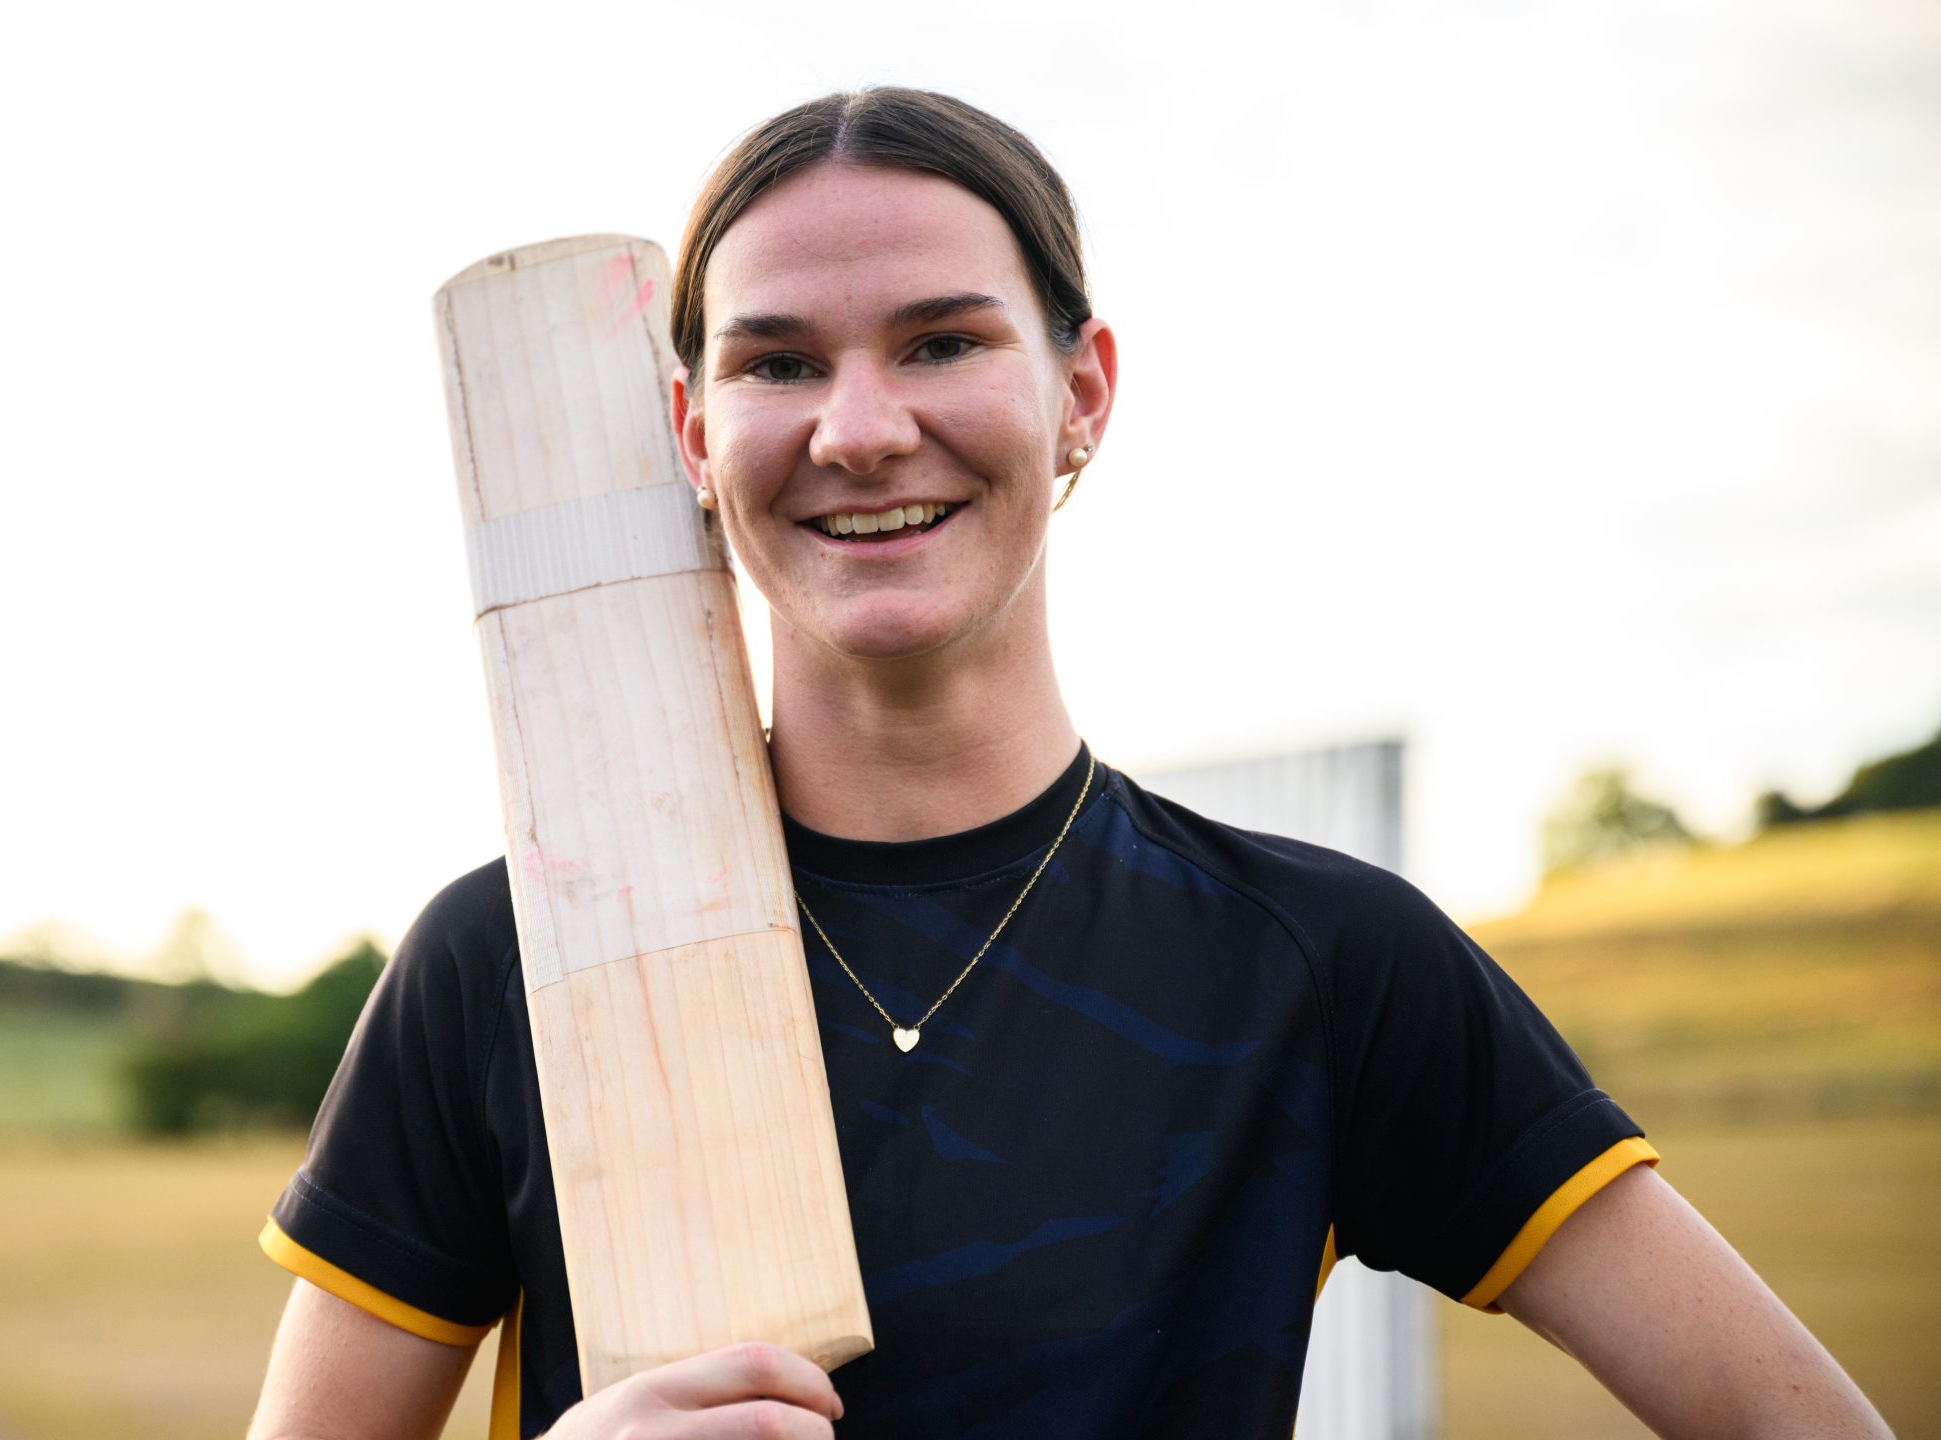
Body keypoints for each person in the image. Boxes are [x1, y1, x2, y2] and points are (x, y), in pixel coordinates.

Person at [247, 88, 1890, 1439]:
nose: (862, 428)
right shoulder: (515, 954)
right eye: (778, 362)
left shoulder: (1321, 962)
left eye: (943, 341)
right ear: (692, 435)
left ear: (1081, 391)